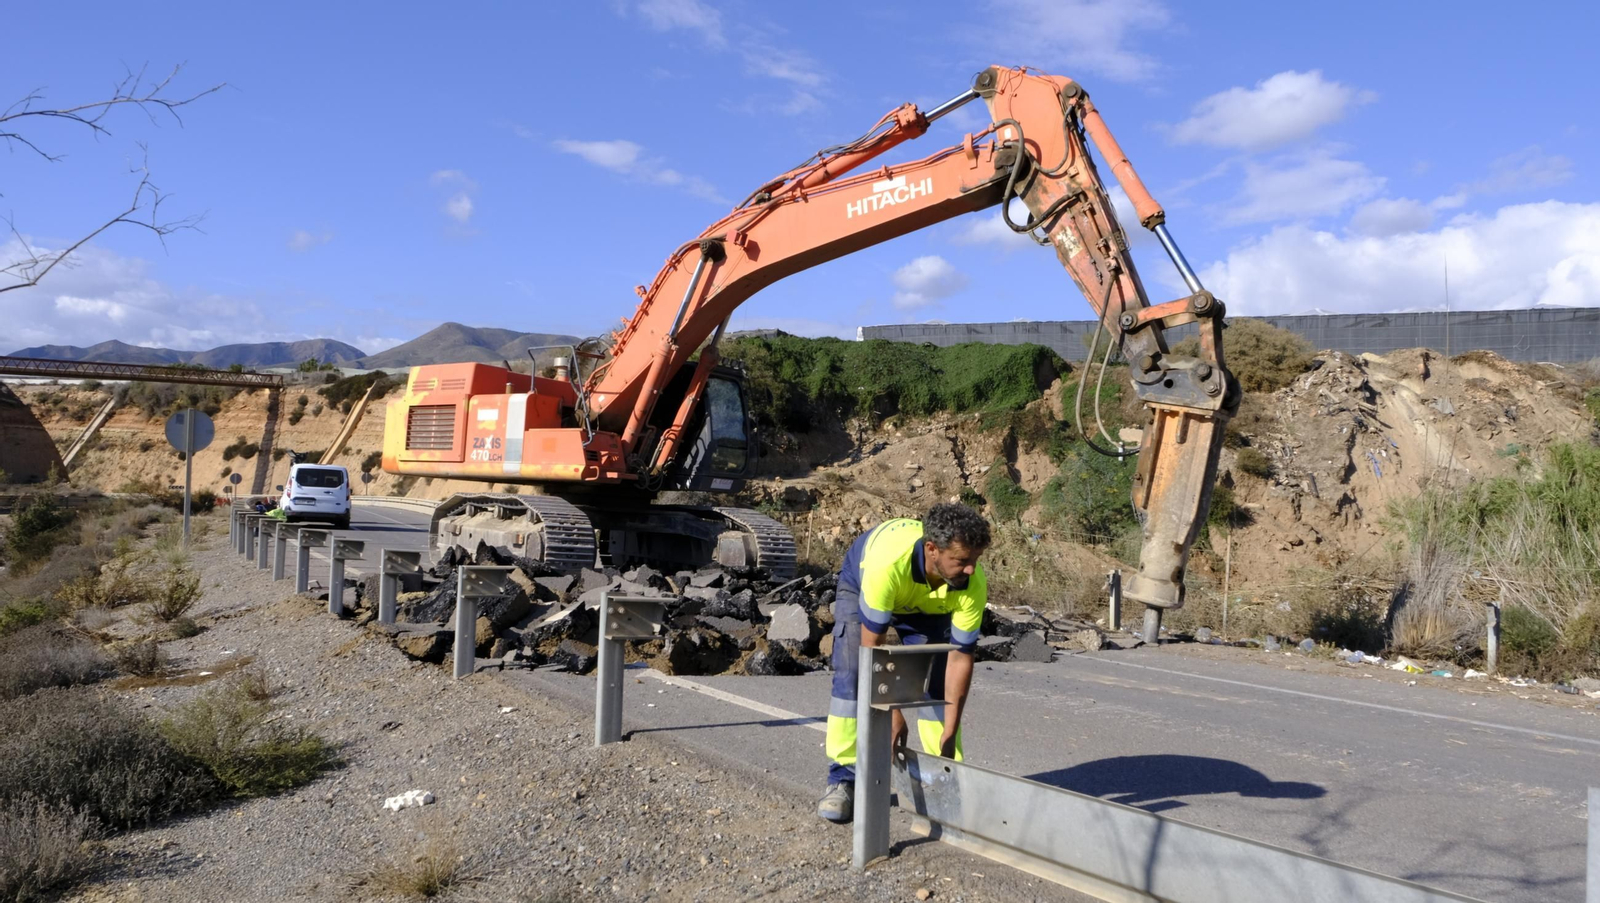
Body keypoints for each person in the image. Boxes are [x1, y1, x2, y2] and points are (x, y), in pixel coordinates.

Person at [817, 502, 991, 824]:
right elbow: (873, 649)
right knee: (853, 675)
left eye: (975, 560)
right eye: (962, 561)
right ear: (932, 549)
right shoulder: (887, 566)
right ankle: (843, 779)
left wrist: (950, 732)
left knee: (933, 683)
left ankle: (943, 779)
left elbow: (959, 659)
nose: (971, 569)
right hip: (864, 584)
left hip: (928, 604)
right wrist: (892, 712)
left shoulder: (971, 581)